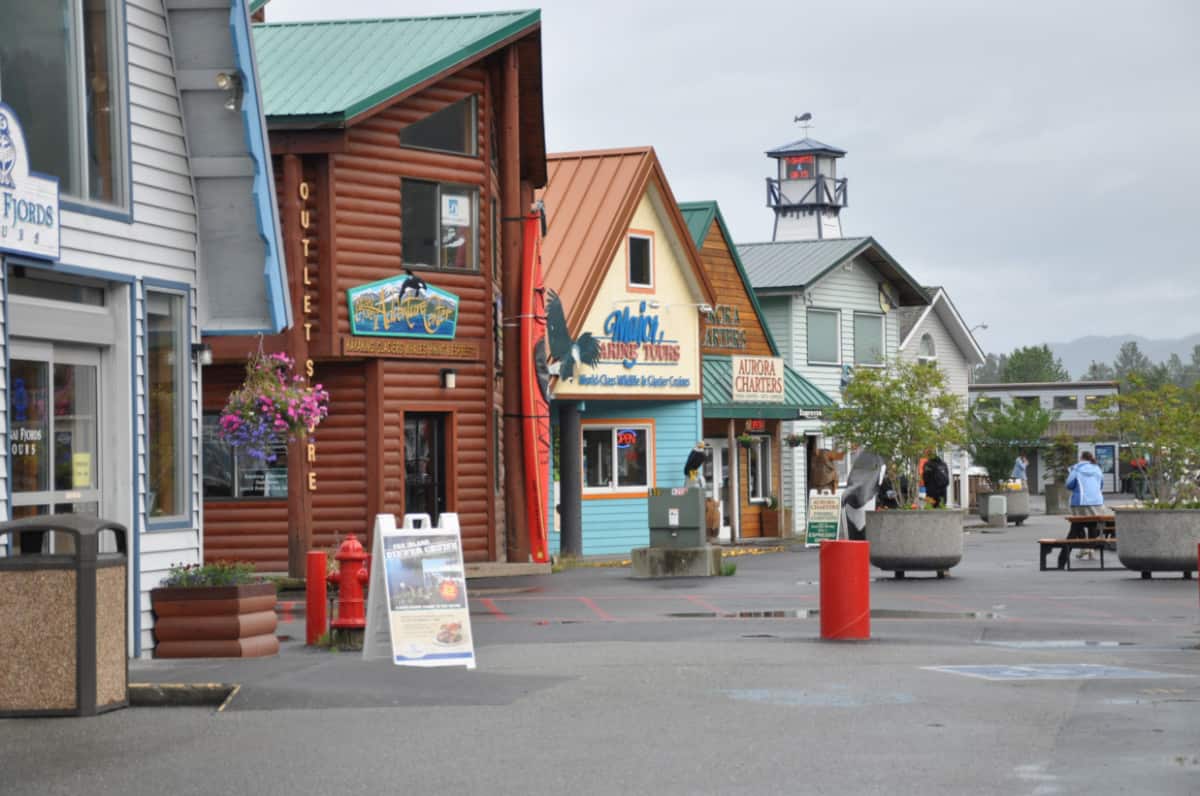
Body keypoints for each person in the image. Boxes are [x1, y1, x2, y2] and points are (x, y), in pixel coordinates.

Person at [1059, 451, 1107, 568]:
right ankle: (1089, 548)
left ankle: (1065, 558)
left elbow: (1069, 484)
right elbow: (1101, 485)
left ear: (1081, 458)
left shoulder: (1077, 469)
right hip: (1097, 502)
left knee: (1076, 526)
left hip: (1080, 502)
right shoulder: (1097, 469)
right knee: (1092, 524)